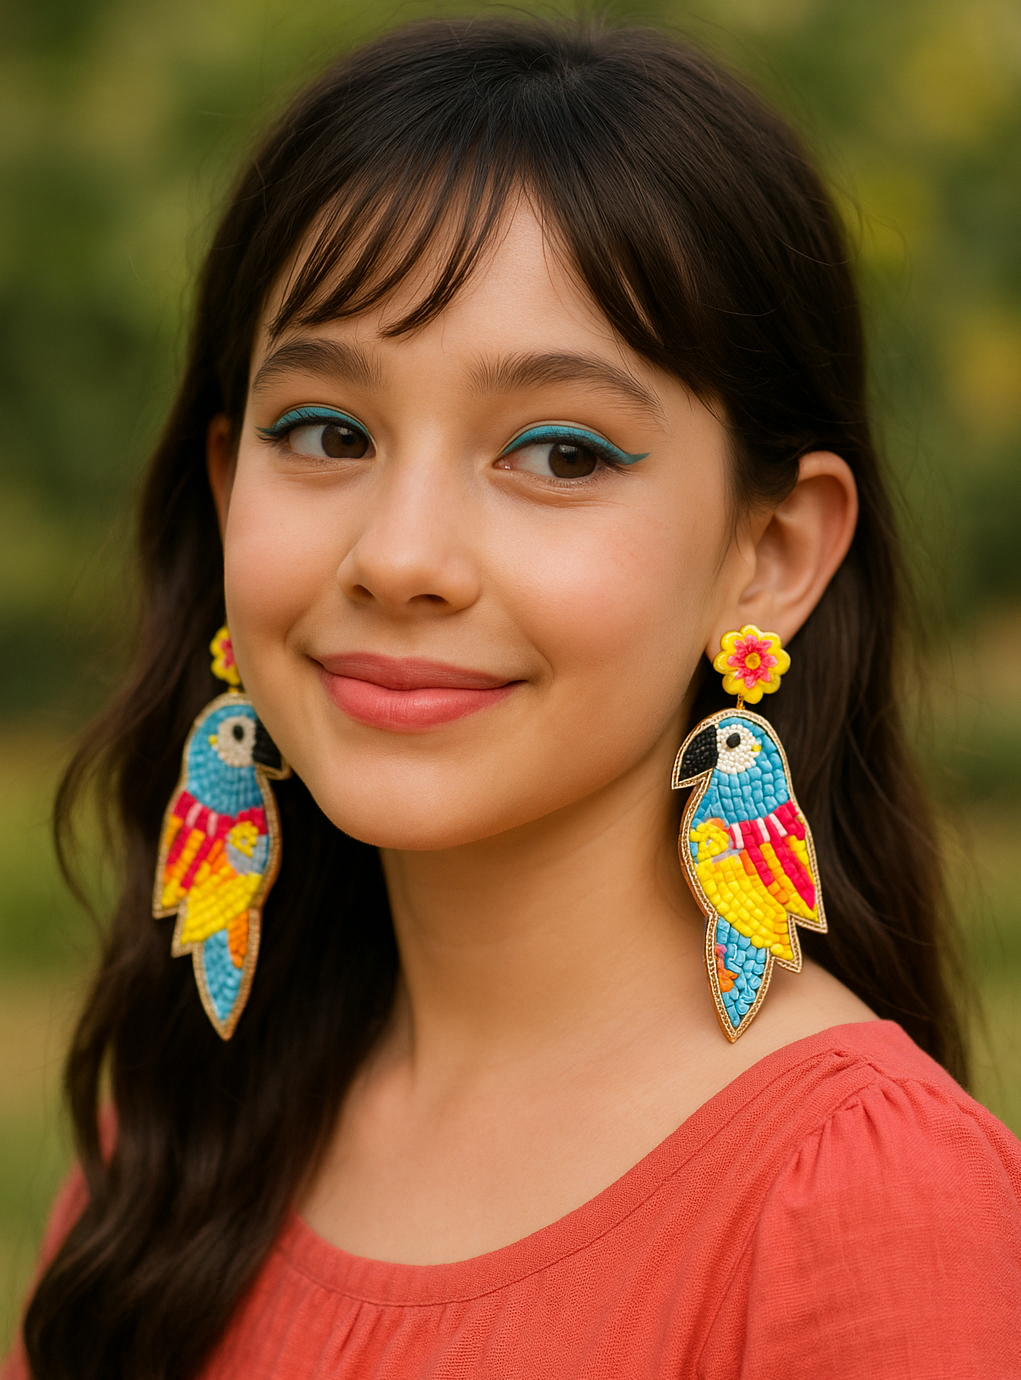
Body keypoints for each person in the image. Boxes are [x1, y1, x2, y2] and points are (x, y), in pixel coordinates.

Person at [6, 16, 1021, 1380]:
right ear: (224, 481)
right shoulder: (182, 1138)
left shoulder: (856, 1205)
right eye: (325, 432)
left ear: (770, 554)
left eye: (557, 450)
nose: (402, 556)